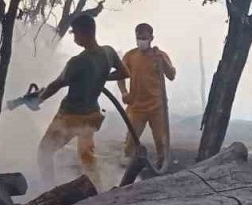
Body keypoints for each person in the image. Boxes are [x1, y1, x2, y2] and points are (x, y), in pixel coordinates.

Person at [34, 13, 127, 188]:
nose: (74, 37)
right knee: (86, 155)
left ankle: (48, 189)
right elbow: (124, 73)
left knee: (44, 152)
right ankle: (97, 188)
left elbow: (57, 84)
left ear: (85, 33)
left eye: (75, 33)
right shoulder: (108, 52)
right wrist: (101, 77)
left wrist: (39, 99)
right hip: (91, 115)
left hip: (69, 116)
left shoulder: (77, 61)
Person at [119, 23, 176, 170]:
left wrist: (162, 61)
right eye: (139, 38)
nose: (141, 41)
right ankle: (126, 172)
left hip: (157, 107)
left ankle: (161, 168)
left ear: (151, 38)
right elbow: (120, 75)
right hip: (136, 107)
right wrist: (124, 92)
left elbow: (171, 75)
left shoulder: (160, 56)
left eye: (144, 38)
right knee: (130, 142)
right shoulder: (130, 56)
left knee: (161, 141)